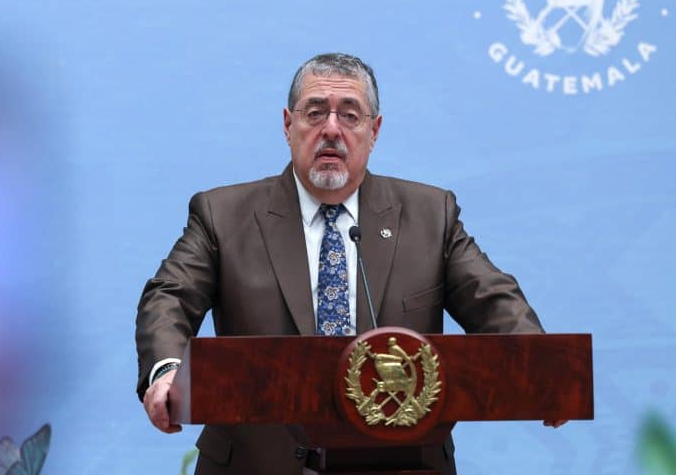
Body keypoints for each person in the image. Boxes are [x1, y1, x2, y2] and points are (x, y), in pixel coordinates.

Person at [136, 53, 552, 475]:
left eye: (350, 116)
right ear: (287, 124)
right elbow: (169, 298)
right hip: (255, 464)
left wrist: (543, 369)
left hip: (400, 462)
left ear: (374, 131)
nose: (331, 129)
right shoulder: (223, 215)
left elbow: (493, 300)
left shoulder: (430, 215)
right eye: (315, 113)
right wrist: (167, 371)